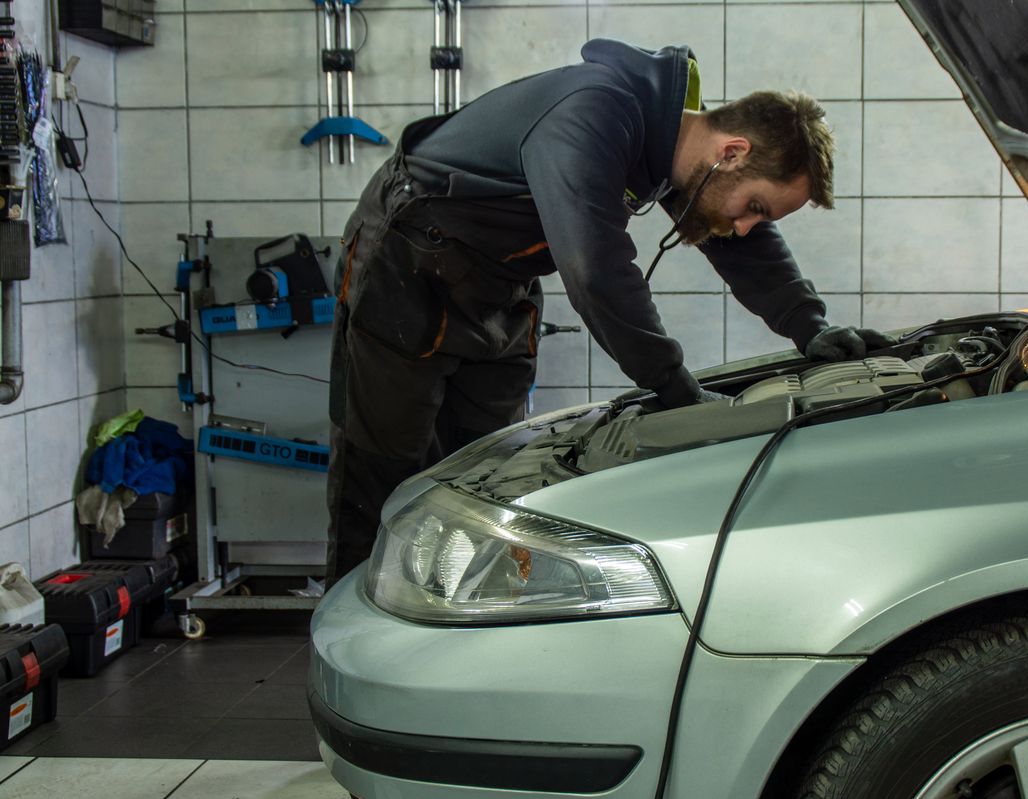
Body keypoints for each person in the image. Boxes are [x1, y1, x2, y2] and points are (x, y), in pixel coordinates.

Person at [325, 38, 894, 585]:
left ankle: (441, 630)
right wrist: (677, 391)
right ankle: (351, 643)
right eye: (754, 207)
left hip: (497, 286)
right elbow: (596, 271)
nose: (744, 225)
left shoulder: (671, 145)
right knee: (383, 468)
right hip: (406, 264)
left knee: (480, 472)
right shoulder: (596, 114)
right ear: (731, 152)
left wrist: (810, 327)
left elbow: (744, 249)